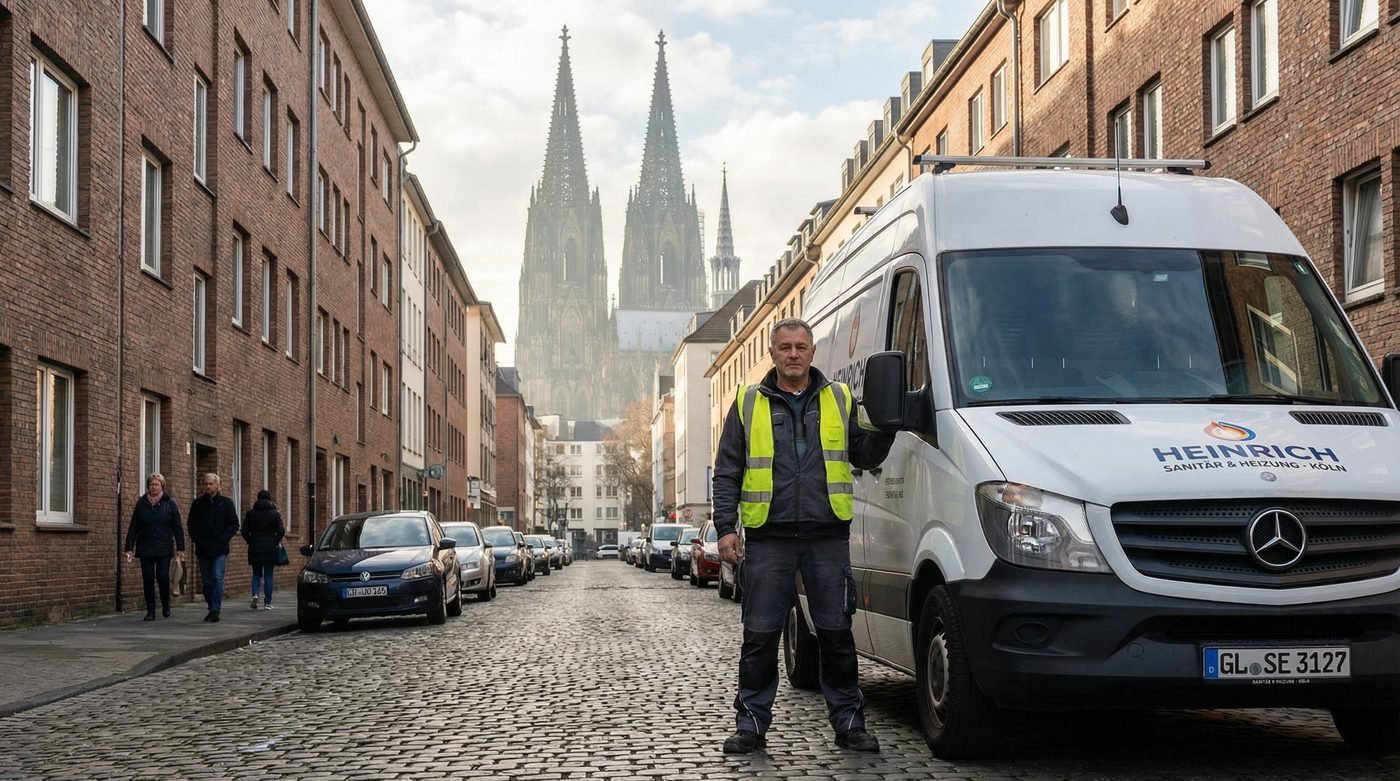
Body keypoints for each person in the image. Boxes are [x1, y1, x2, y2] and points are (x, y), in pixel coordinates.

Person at [712, 317, 895, 755]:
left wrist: (887, 425)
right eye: (784, 347)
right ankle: (751, 725)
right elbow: (727, 470)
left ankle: (849, 723)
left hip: (825, 536)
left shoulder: (839, 398)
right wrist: (724, 528)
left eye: (800, 346)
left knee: (835, 633)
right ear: (772, 354)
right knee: (759, 636)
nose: (793, 354)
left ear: (813, 352)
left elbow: (864, 454)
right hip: (768, 537)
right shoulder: (747, 401)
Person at [124, 473, 185, 621]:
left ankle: (165, 605)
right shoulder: (142, 503)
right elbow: (134, 526)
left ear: (162, 486)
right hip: (145, 547)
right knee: (148, 578)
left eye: (157, 484)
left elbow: (177, 527)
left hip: (163, 546)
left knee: (162, 577)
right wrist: (129, 547)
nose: (154, 487)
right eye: (151, 484)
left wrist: (180, 548)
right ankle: (150, 610)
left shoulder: (169, 503)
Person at [187, 473, 240, 622]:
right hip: (203, 548)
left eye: (211, 484)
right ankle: (211, 606)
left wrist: (224, 538)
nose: (208, 486)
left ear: (217, 485)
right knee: (206, 581)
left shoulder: (226, 503)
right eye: (206, 484)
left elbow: (234, 524)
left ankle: (215, 609)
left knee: (217, 577)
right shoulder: (198, 504)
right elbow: (191, 524)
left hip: (220, 548)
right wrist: (197, 539)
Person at [241, 489, 285, 610]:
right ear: (269, 499)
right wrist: (275, 542)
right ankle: (268, 603)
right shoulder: (275, 514)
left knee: (256, 573)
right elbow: (281, 531)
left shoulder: (251, 513)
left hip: (255, 546)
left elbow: (244, 530)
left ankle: (255, 594)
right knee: (269, 575)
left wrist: (250, 541)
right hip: (270, 547)